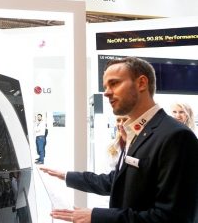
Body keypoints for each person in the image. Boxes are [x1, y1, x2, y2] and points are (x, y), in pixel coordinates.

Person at [41, 57, 198, 223]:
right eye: (106, 87)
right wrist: (67, 176)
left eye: (114, 83)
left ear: (142, 83)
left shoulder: (176, 137)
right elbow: (118, 181)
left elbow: (172, 218)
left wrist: (96, 216)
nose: (107, 92)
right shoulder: (135, 132)